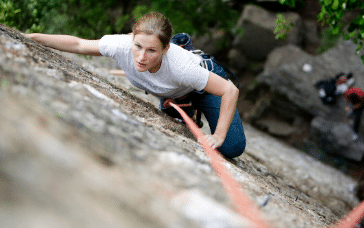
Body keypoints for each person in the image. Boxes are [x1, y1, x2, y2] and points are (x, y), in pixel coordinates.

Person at [24, 12, 246, 158]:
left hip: (204, 84)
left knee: (231, 147)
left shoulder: (180, 67)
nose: (141, 57)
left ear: (165, 49)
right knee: (176, 116)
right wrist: (33, 37)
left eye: (151, 51)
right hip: (176, 92)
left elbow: (229, 90)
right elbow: (79, 44)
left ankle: (192, 103)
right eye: (138, 46)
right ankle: (182, 102)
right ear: (132, 39)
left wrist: (217, 136)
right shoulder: (120, 45)